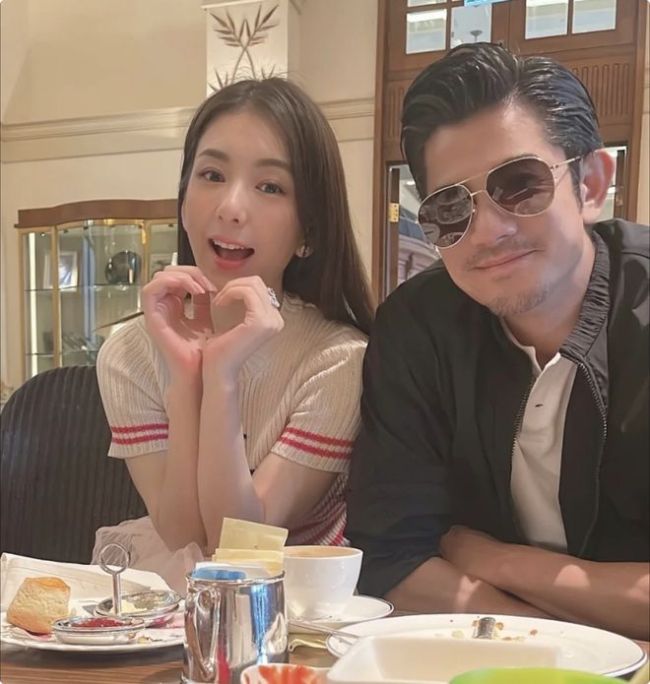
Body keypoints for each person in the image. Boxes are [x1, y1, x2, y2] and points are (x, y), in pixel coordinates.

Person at [346, 43, 649, 640]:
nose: (488, 231)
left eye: (520, 184)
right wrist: (550, 642)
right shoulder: (416, 327)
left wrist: (500, 561)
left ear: (591, 183)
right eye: (450, 209)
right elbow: (390, 557)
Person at [93, 78, 373, 589]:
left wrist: (221, 376)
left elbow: (238, 546)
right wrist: (187, 376)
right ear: (183, 201)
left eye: (270, 186)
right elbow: (183, 537)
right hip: (180, 586)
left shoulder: (338, 358)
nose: (231, 207)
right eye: (212, 175)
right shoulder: (128, 353)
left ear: (309, 232)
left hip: (299, 600)